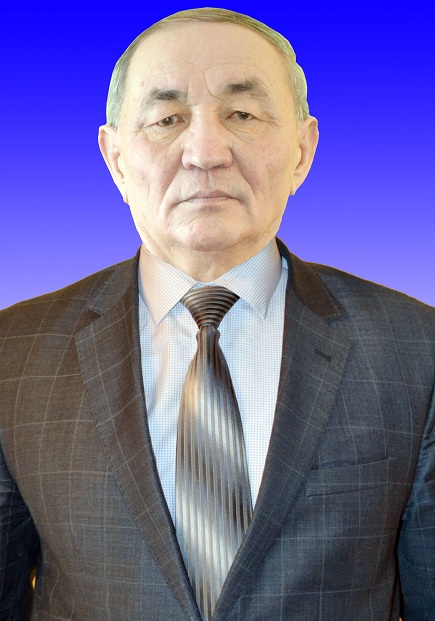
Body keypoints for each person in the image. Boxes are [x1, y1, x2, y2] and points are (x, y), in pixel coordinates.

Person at [0, 7, 433, 621]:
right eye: (167, 119)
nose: (205, 152)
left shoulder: (415, 348)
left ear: (303, 149)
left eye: (242, 114)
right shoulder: (14, 352)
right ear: (116, 158)